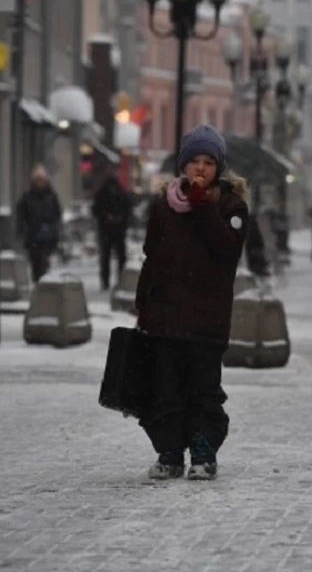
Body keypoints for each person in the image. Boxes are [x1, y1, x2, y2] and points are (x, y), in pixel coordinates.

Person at [135, 125, 249, 480]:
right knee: (165, 388)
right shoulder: (163, 207)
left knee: (203, 388)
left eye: (209, 162)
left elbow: (227, 251)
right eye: (194, 161)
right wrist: (144, 304)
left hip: (206, 319)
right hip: (166, 316)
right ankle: (169, 453)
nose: (200, 169)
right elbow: (151, 258)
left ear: (219, 168)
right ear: (183, 165)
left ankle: (203, 450)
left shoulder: (232, 206)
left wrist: (202, 208)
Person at [16, 164, 62, 283]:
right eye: (37, 180)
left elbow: (57, 213)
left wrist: (53, 226)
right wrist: (23, 228)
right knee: (35, 261)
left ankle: (44, 281)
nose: (40, 183)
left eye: (42, 180)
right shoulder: (27, 197)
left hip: (48, 234)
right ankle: (38, 282)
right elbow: (21, 215)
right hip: (33, 235)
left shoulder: (51, 196)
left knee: (44, 260)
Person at [92, 169, 132, 290]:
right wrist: (113, 217)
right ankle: (118, 280)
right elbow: (128, 209)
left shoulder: (104, 193)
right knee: (118, 257)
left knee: (107, 257)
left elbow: (96, 209)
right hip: (114, 230)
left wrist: (108, 216)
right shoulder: (119, 192)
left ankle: (107, 281)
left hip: (109, 230)